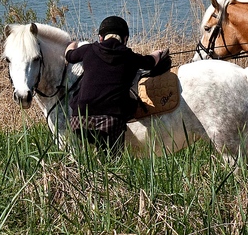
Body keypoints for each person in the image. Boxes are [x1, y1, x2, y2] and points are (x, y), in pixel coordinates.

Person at [64, 15, 169, 151]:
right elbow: (149, 62)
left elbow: (69, 55)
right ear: (125, 39)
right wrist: (158, 53)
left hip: (79, 119)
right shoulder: (128, 56)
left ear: (100, 38)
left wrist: (72, 43)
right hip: (110, 121)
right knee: (112, 160)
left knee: (88, 157)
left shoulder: (88, 49)